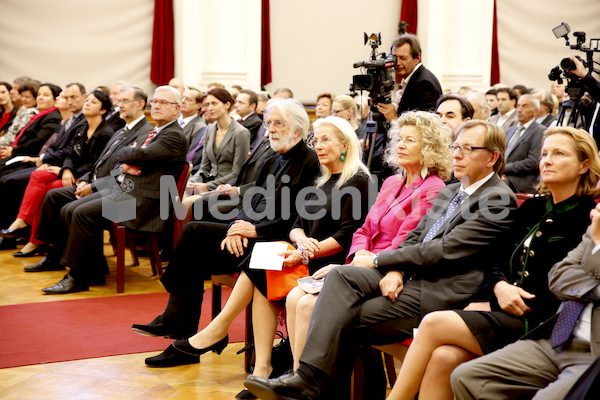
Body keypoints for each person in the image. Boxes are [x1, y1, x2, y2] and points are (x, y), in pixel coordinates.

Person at [244, 120, 518, 400]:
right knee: (339, 279)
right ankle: (307, 380)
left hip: (443, 290)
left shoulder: (495, 197)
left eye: (468, 148)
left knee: (333, 313)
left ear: (492, 157)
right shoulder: (452, 190)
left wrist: (379, 261)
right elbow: (415, 237)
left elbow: (446, 249)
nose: (457, 154)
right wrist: (390, 266)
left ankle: (313, 385)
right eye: (456, 146)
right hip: (410, 276)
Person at [152, 117, 371, 400]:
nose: (318, 146)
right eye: (316, 140)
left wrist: (303, 251)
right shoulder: (323, 180)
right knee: (260, 263)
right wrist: (300, 239)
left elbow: (346, 237)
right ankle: (263, 366)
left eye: (326, 140)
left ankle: (246, 352)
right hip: (303, 254)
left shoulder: (358, 181)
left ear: (345, 144)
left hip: (329, 264)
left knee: (260, 265)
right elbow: (295, 223)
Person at [385, 126, 600, 400]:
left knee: (433, 323)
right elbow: (495, 257)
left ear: (584, 164)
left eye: (558, 154)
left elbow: (567, 284)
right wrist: (498, 286)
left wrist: (495, 300)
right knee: (443, 356)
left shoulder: (587, 217)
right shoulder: (535, 208)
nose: (546, 160)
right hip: (504, 308)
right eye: (544, 153)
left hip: (539, 320)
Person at [131, 99, 320, 346]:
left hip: (276, 243)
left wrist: (254, 230)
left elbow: (298, 218)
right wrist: (236, 228)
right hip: (251, 236)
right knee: (194, 233)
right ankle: (179, 321)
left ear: (297, 129)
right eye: (268, 123)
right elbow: (251, 201)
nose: (270, 129)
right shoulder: (273, 159)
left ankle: (189, 327)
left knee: (195, 247)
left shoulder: (310, 163)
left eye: (278, 124)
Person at [286, 111, 452, 371]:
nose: (401, 145)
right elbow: (363, 230)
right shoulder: (391, 182)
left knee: (307, 303)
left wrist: (361, 264)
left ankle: (309, 381)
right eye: (400, 139)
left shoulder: (432, 188)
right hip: (364, 264)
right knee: (296, 296)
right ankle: (297, 375)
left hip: (390, 270)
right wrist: (358, 257)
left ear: (429, 147)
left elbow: (406, 241)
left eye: (410, 140)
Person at [38, 85, 188, 293]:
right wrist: (128, 160)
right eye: (155, 102)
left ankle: (77, 277)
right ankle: (94, 270)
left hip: (144, 205)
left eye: (164, 103)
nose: (156, 106)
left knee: (81, 213)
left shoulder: (173, 135)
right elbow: (130, 158)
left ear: (177, 108)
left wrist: (127, 157)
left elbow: (138, 156)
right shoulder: (157, 132)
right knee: (70, 208)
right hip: (130, 195)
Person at [451, 200, 600, 400]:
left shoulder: (588, 221)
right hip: (560, 336)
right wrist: (498, 286)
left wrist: (597, 249)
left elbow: (552, 288)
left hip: (591, 351)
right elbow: (557, 277)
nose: (596, 210)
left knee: (435, 324)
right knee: (464, 376)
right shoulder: (593, 225)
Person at [24, 86, 153, 273]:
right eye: (119, 101)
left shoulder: (144, 134)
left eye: (125, 101)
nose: (120, 105)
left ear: (140, 104)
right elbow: (99, 164)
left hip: (121, 194)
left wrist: (92, 186)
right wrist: (84, 180)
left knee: (74, 208)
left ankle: (83, 269)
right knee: (53, 197)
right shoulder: (122, 131)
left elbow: (126, 174)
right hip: (99, 183)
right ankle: (54, 253)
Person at [1, 90, 114, 257]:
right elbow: (71, 154)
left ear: (103, 110)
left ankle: (39, 240)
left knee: (49, 191)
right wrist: (66, 169)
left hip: (84, 177)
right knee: (39, 178)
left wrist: (65, 170)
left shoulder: (105, 133)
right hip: (71, 172)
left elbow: (95, 165)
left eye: (93, 102)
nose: (87, 103)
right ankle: (28, 228)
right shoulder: (82, 127)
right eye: (87, 100)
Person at [185, 88, 250, 194]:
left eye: (214, 104)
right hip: (207, 181)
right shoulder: (209, 129)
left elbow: (237, 172)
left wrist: (208, 186)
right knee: (178, 194)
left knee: (185, 202)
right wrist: (192, 182)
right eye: (207, 104)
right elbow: (204, 167)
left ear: (227, 105)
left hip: (227, 187)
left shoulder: (241, 133)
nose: (209, 108)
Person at [377, 33, 442, 123]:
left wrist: (394, 119)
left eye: (403, 58)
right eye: (395, 58)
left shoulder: (424, 83)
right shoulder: (417, 77)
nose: (398, 63)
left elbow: (424, 127)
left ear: (417, 58)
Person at [503, 94, 546, 194]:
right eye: (518, 106)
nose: (519, 110)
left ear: (535, 111)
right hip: (503, 176)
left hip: (520, 181)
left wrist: (503, 169)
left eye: (525, 106)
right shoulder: (508, 131)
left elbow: (532, 162)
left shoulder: (540, 131)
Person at [0, 80, 40, 150]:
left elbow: (14, 136)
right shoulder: (24, 109)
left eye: (27, 97)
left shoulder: (31, 112)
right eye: (22, 96)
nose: (23, 99)